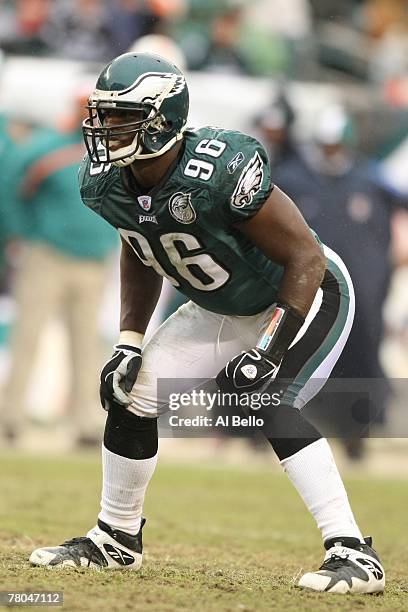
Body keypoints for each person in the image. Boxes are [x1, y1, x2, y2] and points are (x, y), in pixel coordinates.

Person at [29, 52, 385, 595]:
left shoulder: (219, 170)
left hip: (303, 294)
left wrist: (269, 350)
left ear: (162, 120)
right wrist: (129, 341)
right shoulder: (107, 182)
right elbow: (140, 249)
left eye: (122, 115)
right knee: (130, 393)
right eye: (103, 114)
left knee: (268, 400)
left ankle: (354, 552)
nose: (105, 127)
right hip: (221, 306)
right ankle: (115, 538)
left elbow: (306, 257)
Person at [0, 84, 118, 447]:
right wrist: (22, 233)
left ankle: (84, 424)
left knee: (86, 344)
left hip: (94, 261)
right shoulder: (47, 148)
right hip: (47, 255)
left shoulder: (114, 155)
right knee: (28, 337)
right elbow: (10, 189)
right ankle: (10, 418)